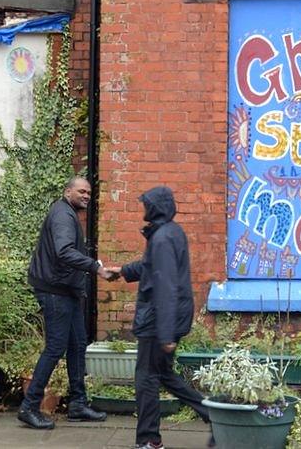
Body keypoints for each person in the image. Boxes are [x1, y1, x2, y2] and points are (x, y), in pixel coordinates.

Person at [112, 186, 214, 449]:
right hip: (162, 319)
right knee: (164, 375)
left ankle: (148, 440)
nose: (142, 208)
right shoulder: (169, 233)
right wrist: (122, 271)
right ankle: (215, 415)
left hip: (157, 321)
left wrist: (166, 333)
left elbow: (167, 285)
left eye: (146, 204)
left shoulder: (162, 238)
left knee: (146, 379)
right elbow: (149, 267)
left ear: (155, 207)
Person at [17, 176, 116, 430]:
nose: (86, 195)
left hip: (66, 290)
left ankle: (78, 404)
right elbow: (64, 251)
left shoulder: (67, 213)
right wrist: (96, 267)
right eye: (81, 191)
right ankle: (29, 407)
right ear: (67, 191)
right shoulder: (62, 215)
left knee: (77, 344)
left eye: (89, 193)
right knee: (56, 347)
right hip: (55, 291)